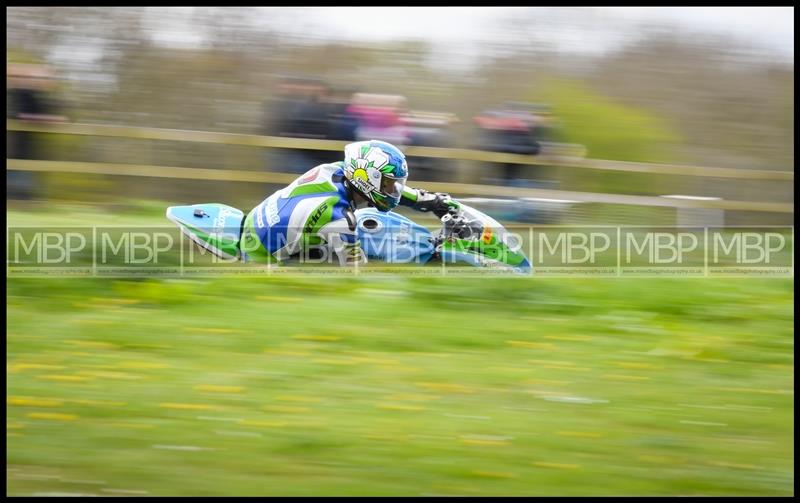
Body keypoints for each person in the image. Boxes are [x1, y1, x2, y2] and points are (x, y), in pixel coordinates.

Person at [239, 140, 458, 265]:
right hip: (265, 256)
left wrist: (430, 200)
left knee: (365, 224)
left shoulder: (338, 170)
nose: (394, 191)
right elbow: (356, 269)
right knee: (376, 241)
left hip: (261, 221)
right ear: (367, 180)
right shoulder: (339, 217)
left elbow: (394, 193)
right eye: (390, 185)